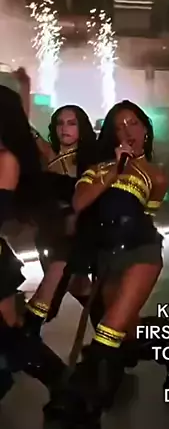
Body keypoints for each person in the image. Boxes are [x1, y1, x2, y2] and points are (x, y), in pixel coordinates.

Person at [58, 100, 169, 429]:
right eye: (120, 126)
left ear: (146, 129)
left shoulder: (157, 174)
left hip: (142, 251)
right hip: (107, 257)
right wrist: (114, 172)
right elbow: (80, 203)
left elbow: (147, 214)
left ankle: (85, 411)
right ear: (112, 135)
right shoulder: (98, 169)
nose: (128, 131)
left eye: (134, 123)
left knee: (108, 331)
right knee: (124, 333)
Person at [0, 82, 65, 412]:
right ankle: (65, 386)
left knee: (10, 336)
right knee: (10, 335)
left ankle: (66, 387)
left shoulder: (6, 160)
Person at [29, 104, 100, 329]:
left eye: (71, 123)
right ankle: (116, 336)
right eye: (60, 123)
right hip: (47, 234)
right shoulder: (49, 158)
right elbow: (32, 135)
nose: (64, 128)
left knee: (50, 294)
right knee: (79, 287)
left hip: (74, 236)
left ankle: (28, 331)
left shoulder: (90, 160)